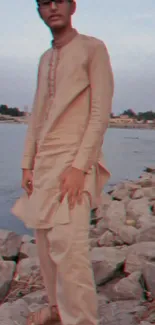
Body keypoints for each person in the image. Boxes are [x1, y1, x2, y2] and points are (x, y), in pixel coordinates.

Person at [12, 0, 114, 324]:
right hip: (44, 164)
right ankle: (58, 312)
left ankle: (82, 319)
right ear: (39, 10)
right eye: (44, 3)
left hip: (73, 160)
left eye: (58, 1)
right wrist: (27, 163)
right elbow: (38, 112)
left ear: (72, 6)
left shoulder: (92, 49)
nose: (52, 7)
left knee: (70, 252)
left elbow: (99, 114)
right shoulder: (45, 59)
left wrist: (79, 167)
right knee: (45, 248)